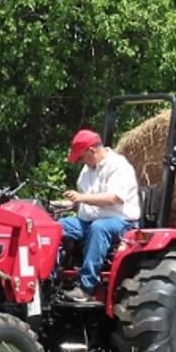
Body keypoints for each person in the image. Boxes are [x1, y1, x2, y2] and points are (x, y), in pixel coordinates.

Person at [59, 129, 141, 303]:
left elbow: (113, 198)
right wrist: (68, 203)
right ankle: (50, 278)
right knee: (57, 226)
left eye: (81, 157)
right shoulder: (87, 170)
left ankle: (86, 287)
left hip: (121, 222)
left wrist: (82, 198)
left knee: (99, 228)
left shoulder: (119, 166)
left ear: (91, 151)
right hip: (89, 220)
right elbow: (84, 200)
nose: (80, 161)